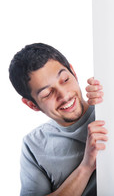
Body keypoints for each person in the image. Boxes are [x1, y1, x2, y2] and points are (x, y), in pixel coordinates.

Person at [9, 43, 108, 196]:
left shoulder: (109, 106)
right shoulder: (33, 145)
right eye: (47, 94)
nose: (64, 95)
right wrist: (86, 166)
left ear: (73, 71)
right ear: (32, 105)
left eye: (65, 79)